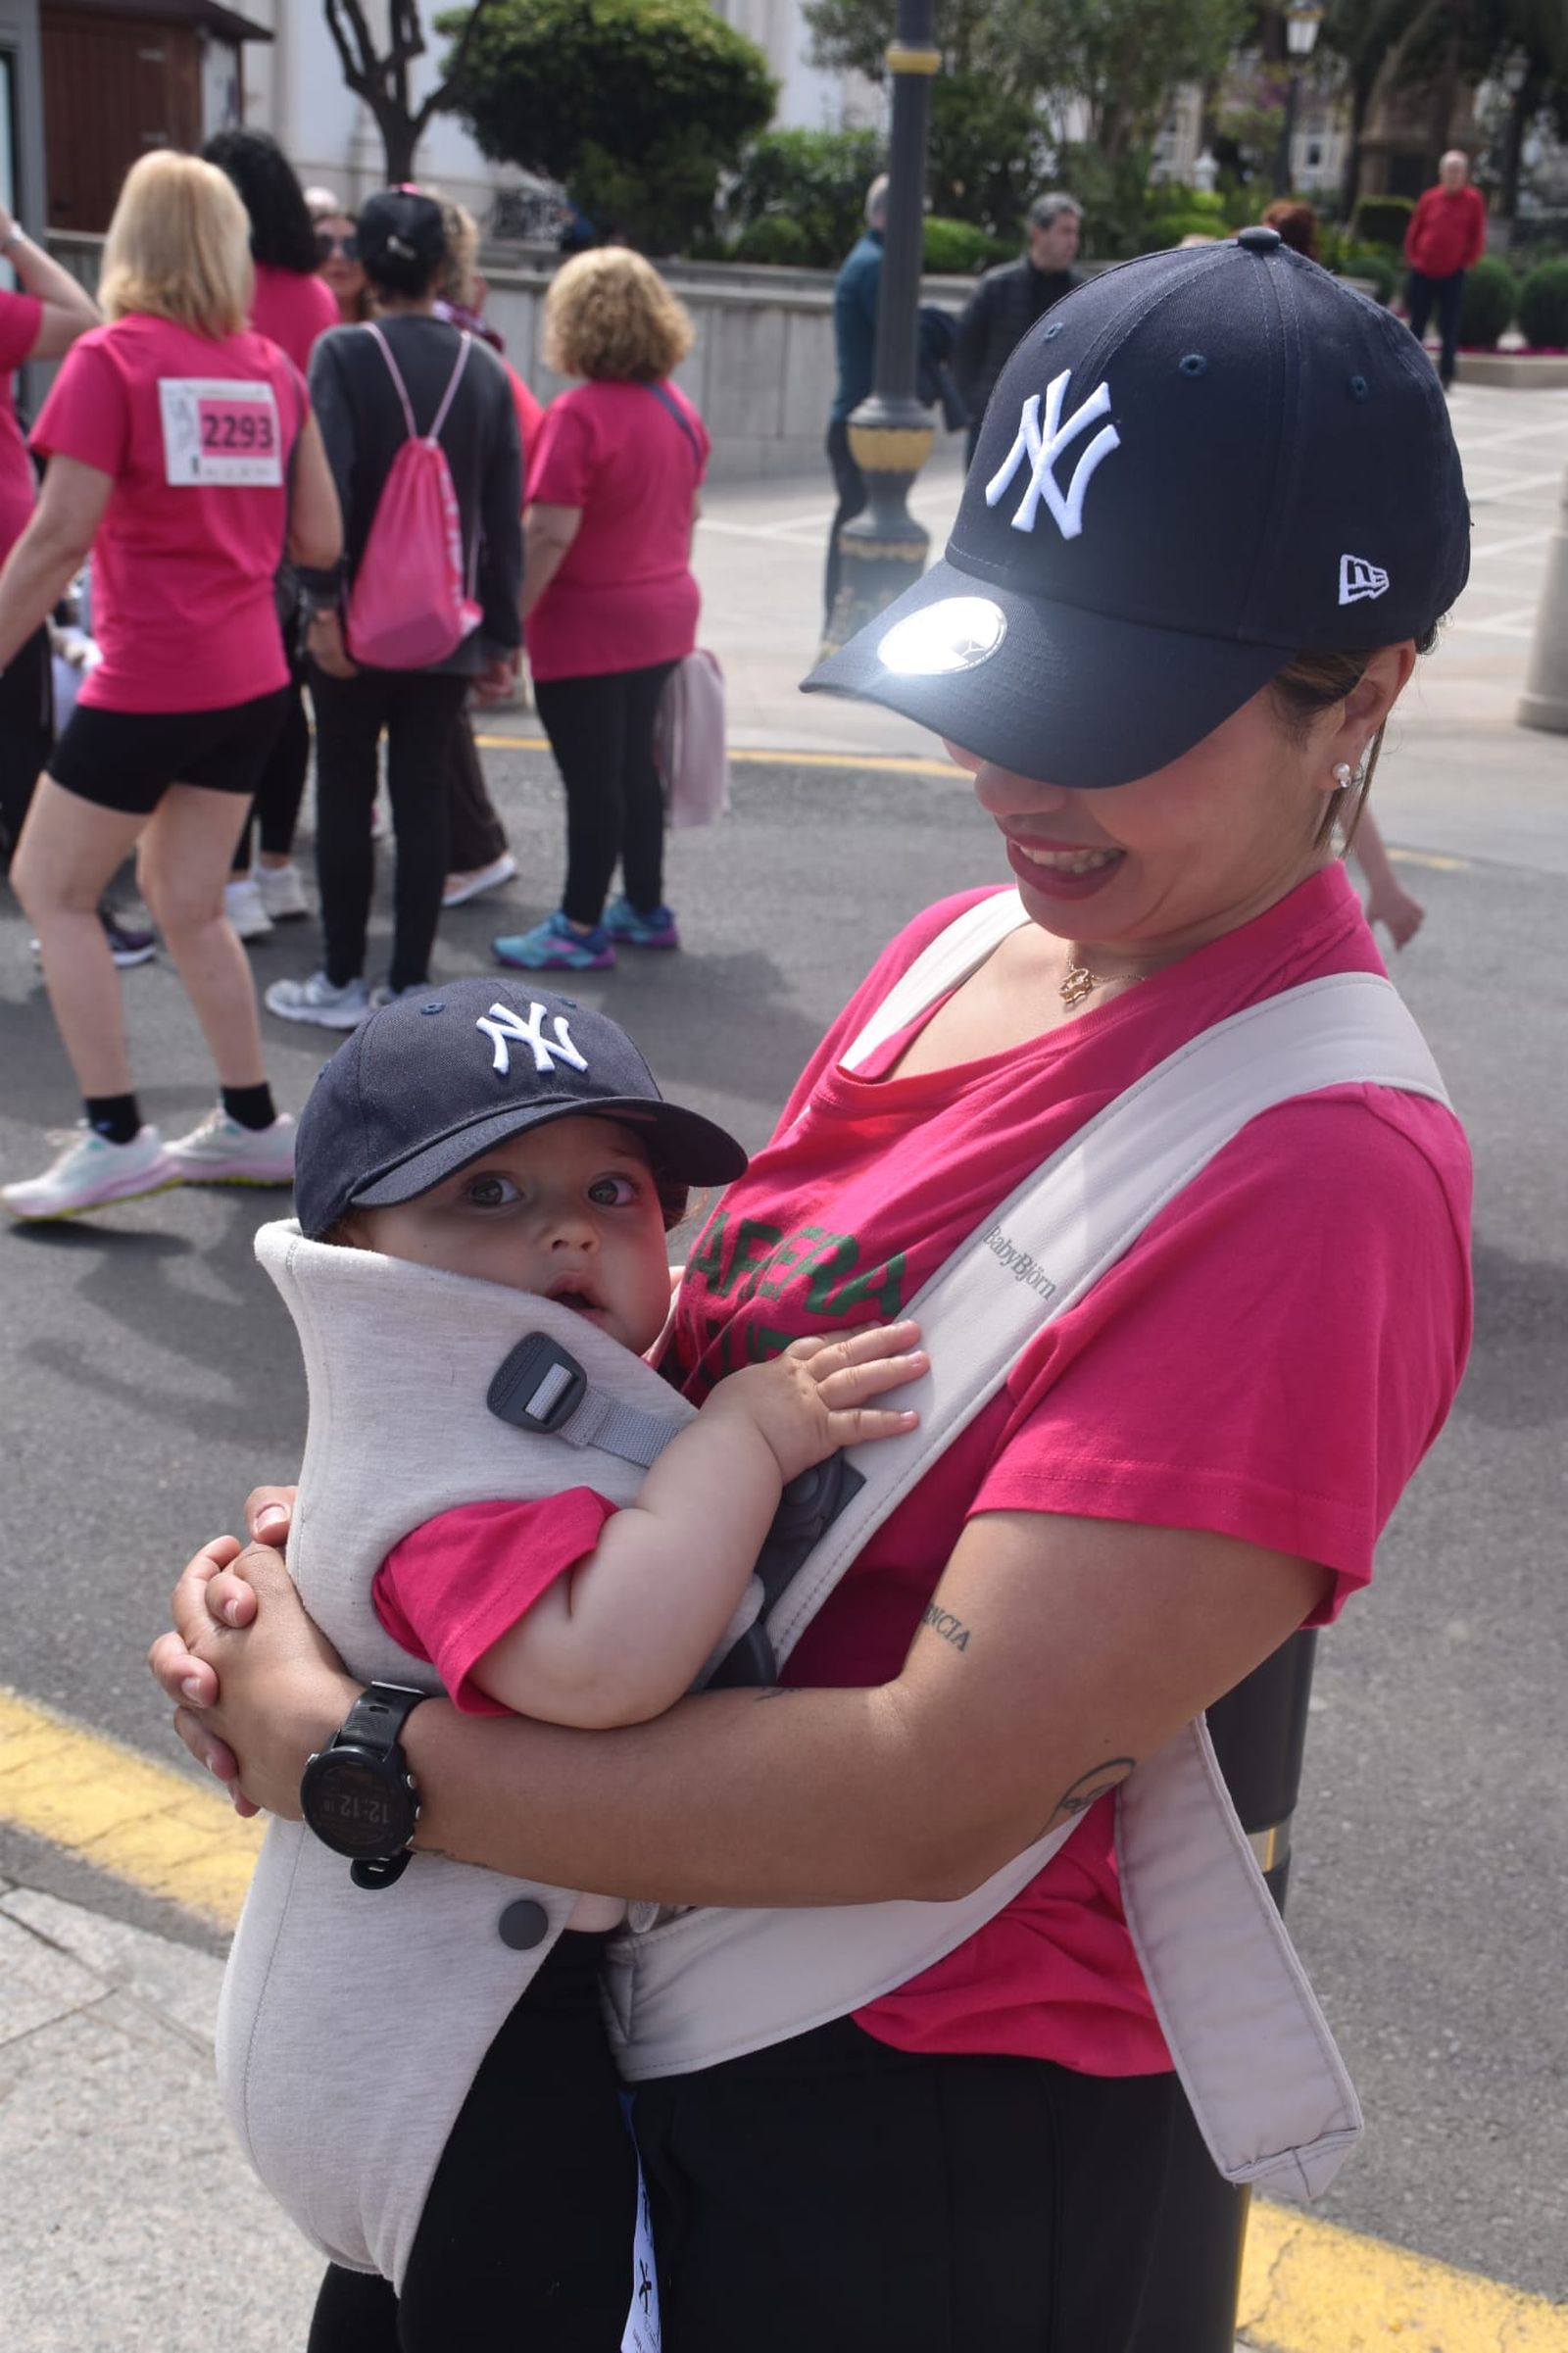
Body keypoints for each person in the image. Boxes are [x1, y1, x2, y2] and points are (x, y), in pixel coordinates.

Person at [154, 226, 1474, 2351]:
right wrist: (393, 1562)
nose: (1013, 785)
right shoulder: (966, 950)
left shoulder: (1313, 1164)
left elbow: (935, 1781)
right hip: (613, 2006)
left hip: (912, 2141)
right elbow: (675, 1361)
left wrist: (355, 1751)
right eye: (997, 692)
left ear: (1366, 693)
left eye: (1108, 717)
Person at [219, 976, 924, 2346]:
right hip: (445, 2061)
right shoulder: (446, 1476)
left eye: (616, 1190)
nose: (564, 1227)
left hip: (437, 2031)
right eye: (486, 1195)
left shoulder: (506, 1425)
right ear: (359, 1249)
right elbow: (605, 1664)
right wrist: (743, 1440)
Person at [0, 151, 341, 1223]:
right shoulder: (270, 371)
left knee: (50, 887)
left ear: (130, 244)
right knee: (189, 903)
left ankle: (113, 1136)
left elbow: (57, 538)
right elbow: (322, 536)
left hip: (150, 674)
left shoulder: (115, 361)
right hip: (249, 679)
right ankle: (249, 1119)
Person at [264, 187, 521, 1030]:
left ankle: (341, 977)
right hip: (448, 626)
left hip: (352, 624)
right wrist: (502, 636)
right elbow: (499, 517)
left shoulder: (341, 353)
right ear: (447, 268)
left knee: (343, 788)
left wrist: (323, 602)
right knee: (421, 795)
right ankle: (409, 978)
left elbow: (324, 486)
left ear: (366, 268)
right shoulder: (483, 366)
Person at [490, 248, 705, 973]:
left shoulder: (577, 414)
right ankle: (645, 906)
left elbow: (549, 531)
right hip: (663, 611)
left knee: (593, 781)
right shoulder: (678, 409)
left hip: (586, 623)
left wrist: (508, 624)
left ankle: (579, 924)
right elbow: (691, 509)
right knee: (635, 770)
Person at [0, 197, 154, 964]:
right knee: (20, 740)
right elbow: (84, 317)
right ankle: (67, 905)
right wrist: (14, 239)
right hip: (10, 564)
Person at [203, 127, 342, 945]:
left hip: (224, 530)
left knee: (230, 709)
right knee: (288, 706)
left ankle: (228, 877)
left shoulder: (218, 292)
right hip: (300, 526)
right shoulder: (317, 297)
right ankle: (278, 870)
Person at [954, 191, 1084, 466]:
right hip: (998, 422)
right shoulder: (997, 287)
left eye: (1075, 233)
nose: (1072, 242)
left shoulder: (1083, 293)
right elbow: (963, 348)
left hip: (1055, 429)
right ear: (1038, 233)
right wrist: (975, 405)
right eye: (1065, 232)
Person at [822, 173, 886, 635]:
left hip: (854, 416)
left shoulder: (866, 261)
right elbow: (900, 340)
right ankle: (844, 625)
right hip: (865, 423)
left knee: (854, 522)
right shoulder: (876, 267)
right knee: (858, 528)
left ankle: (842, 624)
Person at [1403, 150, 1488, 390]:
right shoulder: (1429, 198)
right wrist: (1414, 257)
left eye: (1457, 171)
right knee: (1416, 323)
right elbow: (1415, 229)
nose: (1453, 175)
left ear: (1465, 174)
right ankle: (1410, 370)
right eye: (1449, 170)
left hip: (1453, 272)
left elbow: (1477, 235)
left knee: (1449, 325)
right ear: (1441, 173)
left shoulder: (1473, 200)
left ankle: (1447, 374)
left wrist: (1467, 261)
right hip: (1423, 269)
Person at [311, 204, 373, 328]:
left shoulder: (389, 332)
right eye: (323, 244)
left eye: (352, 245)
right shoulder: (289, 328)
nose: (338, 255)